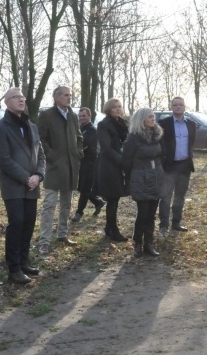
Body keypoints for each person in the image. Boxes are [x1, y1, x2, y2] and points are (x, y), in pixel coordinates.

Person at [0, 88, 46, 284]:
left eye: (22, 97)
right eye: (16, 97)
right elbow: (3, 159)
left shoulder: (31, 125)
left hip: (32, 185)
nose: (21, 100)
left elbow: (41, 154)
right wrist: (26, 178)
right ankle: (13, 269)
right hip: (13, 186)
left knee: (29, 223)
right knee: (17, 223)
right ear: (6, 102)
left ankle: (24, 262)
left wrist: (39, 175)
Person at [37, 86, 83, 255]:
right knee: (49, 205)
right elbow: (40, 139)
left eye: (70, 95)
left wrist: (78, 153)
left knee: (66, 204)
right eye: (65, 95)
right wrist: (51, 156)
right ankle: (44, 241)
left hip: (71, 166)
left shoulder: (72, 115)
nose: (69, 97)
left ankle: (62, 234)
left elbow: (79, 136)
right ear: (56, 97)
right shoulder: (46, 115)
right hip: (53, 167)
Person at [123, 108, 165, 257]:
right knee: (143, 213)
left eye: (153, 116)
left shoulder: (157, 135)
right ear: (142, 119)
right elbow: (126, 161)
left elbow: (162, 154)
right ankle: (137, 243)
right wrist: (132, 177)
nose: (153, 119)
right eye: (149, 117)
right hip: (140, 177)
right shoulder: (133, 138)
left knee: (152, 214)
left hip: (156, 176)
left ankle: (149, 243)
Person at [158, 96, 196, 235]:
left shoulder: (191, 124)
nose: (178, 107)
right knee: (166, 197)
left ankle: (176, 223)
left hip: (185, 166)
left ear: (184, 107)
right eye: (175, 105)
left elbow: (191, 143)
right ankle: (163, 226)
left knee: (180, 196)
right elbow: (160, 143)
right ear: (171, 107)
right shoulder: (164, 123)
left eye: (180, 104)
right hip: (169, 166)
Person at [96, 98, 130, 242]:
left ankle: (109, 227)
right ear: (108, 109)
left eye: (119, 106)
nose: (117, 109)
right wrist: (121, 161)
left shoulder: (122, 124)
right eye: (114, 107)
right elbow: (106, 147)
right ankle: (113, 229)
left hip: (120, 163)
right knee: (112, 197)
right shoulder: (104, 125)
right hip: (109, 165)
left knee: (115, 198)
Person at [71, 107, 106, 223]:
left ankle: (79, 212)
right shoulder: (80, 128)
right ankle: (98, 202)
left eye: (84, 116)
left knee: (84, 188)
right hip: (81, 162)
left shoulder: (92, 130)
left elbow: (85, 145)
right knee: (80, 187)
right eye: (80, 116)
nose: (81, 118)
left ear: (89, 116)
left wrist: (77, 147)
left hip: (90, 163)